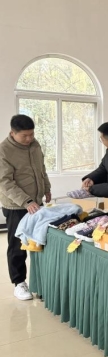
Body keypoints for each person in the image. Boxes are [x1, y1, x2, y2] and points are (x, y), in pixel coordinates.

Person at [0, 115, 51, 300]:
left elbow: (41, 169)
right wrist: (26, 201)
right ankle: (19, 282)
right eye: (25, 136)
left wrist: (47, 188)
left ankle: (40, 281)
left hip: (36, 203)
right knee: (18, 246)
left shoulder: (35, 145)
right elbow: (5, 182)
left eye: (31, 134)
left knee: (39, 241)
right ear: (13, 133)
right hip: (16, 206)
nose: (29, 138)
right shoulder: (4, 151)